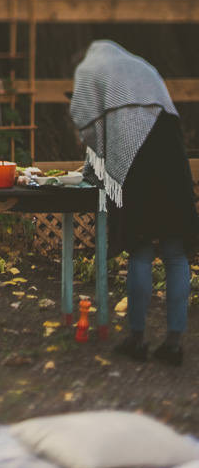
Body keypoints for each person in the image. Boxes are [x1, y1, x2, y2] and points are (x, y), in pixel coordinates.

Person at [71, 40, 199, 366]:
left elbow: (86, 125)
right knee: (174, 250)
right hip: (170, 148)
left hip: (135, 157)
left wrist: (89, 171)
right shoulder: (141, 63)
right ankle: (173, 344)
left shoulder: (88, 69)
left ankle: (137, 340)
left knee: (140, 247)